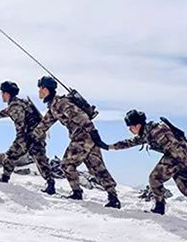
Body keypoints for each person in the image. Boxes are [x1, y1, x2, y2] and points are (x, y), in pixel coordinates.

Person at [31, 76, 120, 208]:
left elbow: (81, 116)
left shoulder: (61, 103)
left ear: (45, 89)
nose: (38, 91)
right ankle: (113, 197)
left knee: (67, 164)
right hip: (88, 136)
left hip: (82, 137)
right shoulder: (54, 106)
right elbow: (44, 124)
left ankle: (77, 193)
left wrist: (94, 133)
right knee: (97, 168)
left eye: (40, 88)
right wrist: (32, 137)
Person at [107, 110, 187, 221]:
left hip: (176, 156)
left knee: (155, 178)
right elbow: (130, 142)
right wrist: (108, 147)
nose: (129, 129)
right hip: (179, 156)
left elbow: (175, 147)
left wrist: (181, 165)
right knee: (185, 185)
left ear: (137, 125)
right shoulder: (147, 132)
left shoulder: (156, 131)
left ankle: (159, 207)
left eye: (130, 127)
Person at [0, 81, 54, 194]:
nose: (2, 95)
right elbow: (4, 113)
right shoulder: (18, 103)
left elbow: (21, 125)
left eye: (3, 93)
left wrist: (23, 141)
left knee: (15, 157)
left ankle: (5, 179)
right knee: (37, 159)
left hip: (29, 137)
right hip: (36, 136)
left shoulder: (16, 106)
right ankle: (50, 184)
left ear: (8, 94)